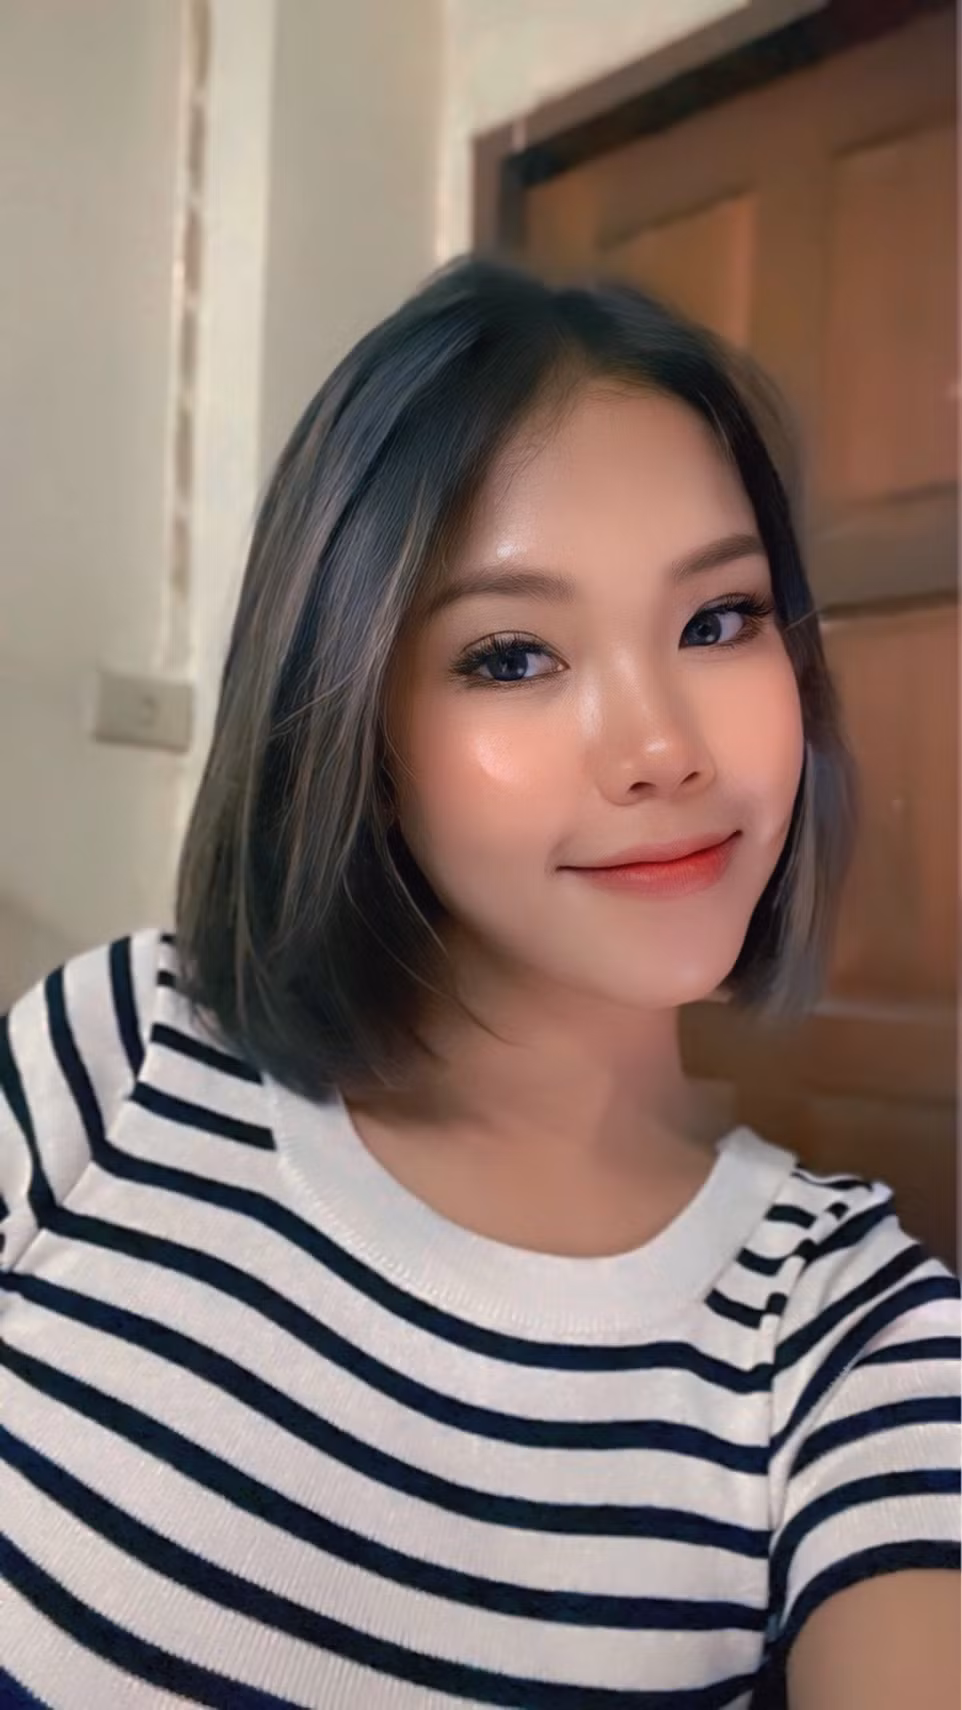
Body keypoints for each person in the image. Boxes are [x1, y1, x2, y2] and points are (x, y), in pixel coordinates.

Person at [1, 258, 958, 1710]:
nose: (661, 748)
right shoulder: (125, 1047)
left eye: (718, 620)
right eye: (512, 656)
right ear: (356, 726)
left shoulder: (844, 1336)